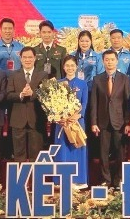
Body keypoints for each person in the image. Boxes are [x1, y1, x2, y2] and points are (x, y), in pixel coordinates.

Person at [89, 50, 130, 187]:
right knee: (103, 153)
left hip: (119, 122)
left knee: (120, 153)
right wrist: (94, 122)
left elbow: (128, 103)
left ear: (117, 61)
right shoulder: (97, 79)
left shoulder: (124, 79)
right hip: (103, 122)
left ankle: (119, 180)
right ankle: (105, 180)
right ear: (103, 61)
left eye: (112, 59)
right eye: (107, 60)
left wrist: (128, 122)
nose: (110, 62)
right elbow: (94, 103)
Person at [6, 48, 47, 162]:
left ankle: (36, 174)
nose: (27, 60)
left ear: (35, 58)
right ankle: (20, 174)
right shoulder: (13, 75)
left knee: (36, 156)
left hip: (36, 120)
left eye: (30, 57)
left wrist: (33, 94)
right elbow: (8, 95)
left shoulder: (42, 75)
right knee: (19, 155)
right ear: (20, 59)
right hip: (18, 120)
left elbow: (45, 95)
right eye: (25, 57)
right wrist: (21, 94)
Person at [54, 56, 89, 190]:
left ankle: (78, 180)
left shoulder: (82, 84)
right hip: (62, 123)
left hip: (77, 122)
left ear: (76, 67)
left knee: (77, 148)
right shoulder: (58, 83)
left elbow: (85, 102)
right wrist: (59, 116)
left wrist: (78, 115)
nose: (70, 68)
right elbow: (53, 103)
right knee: (62, 149)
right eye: (67, 65)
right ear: (63, 67)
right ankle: (61, 180)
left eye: (72, 65)